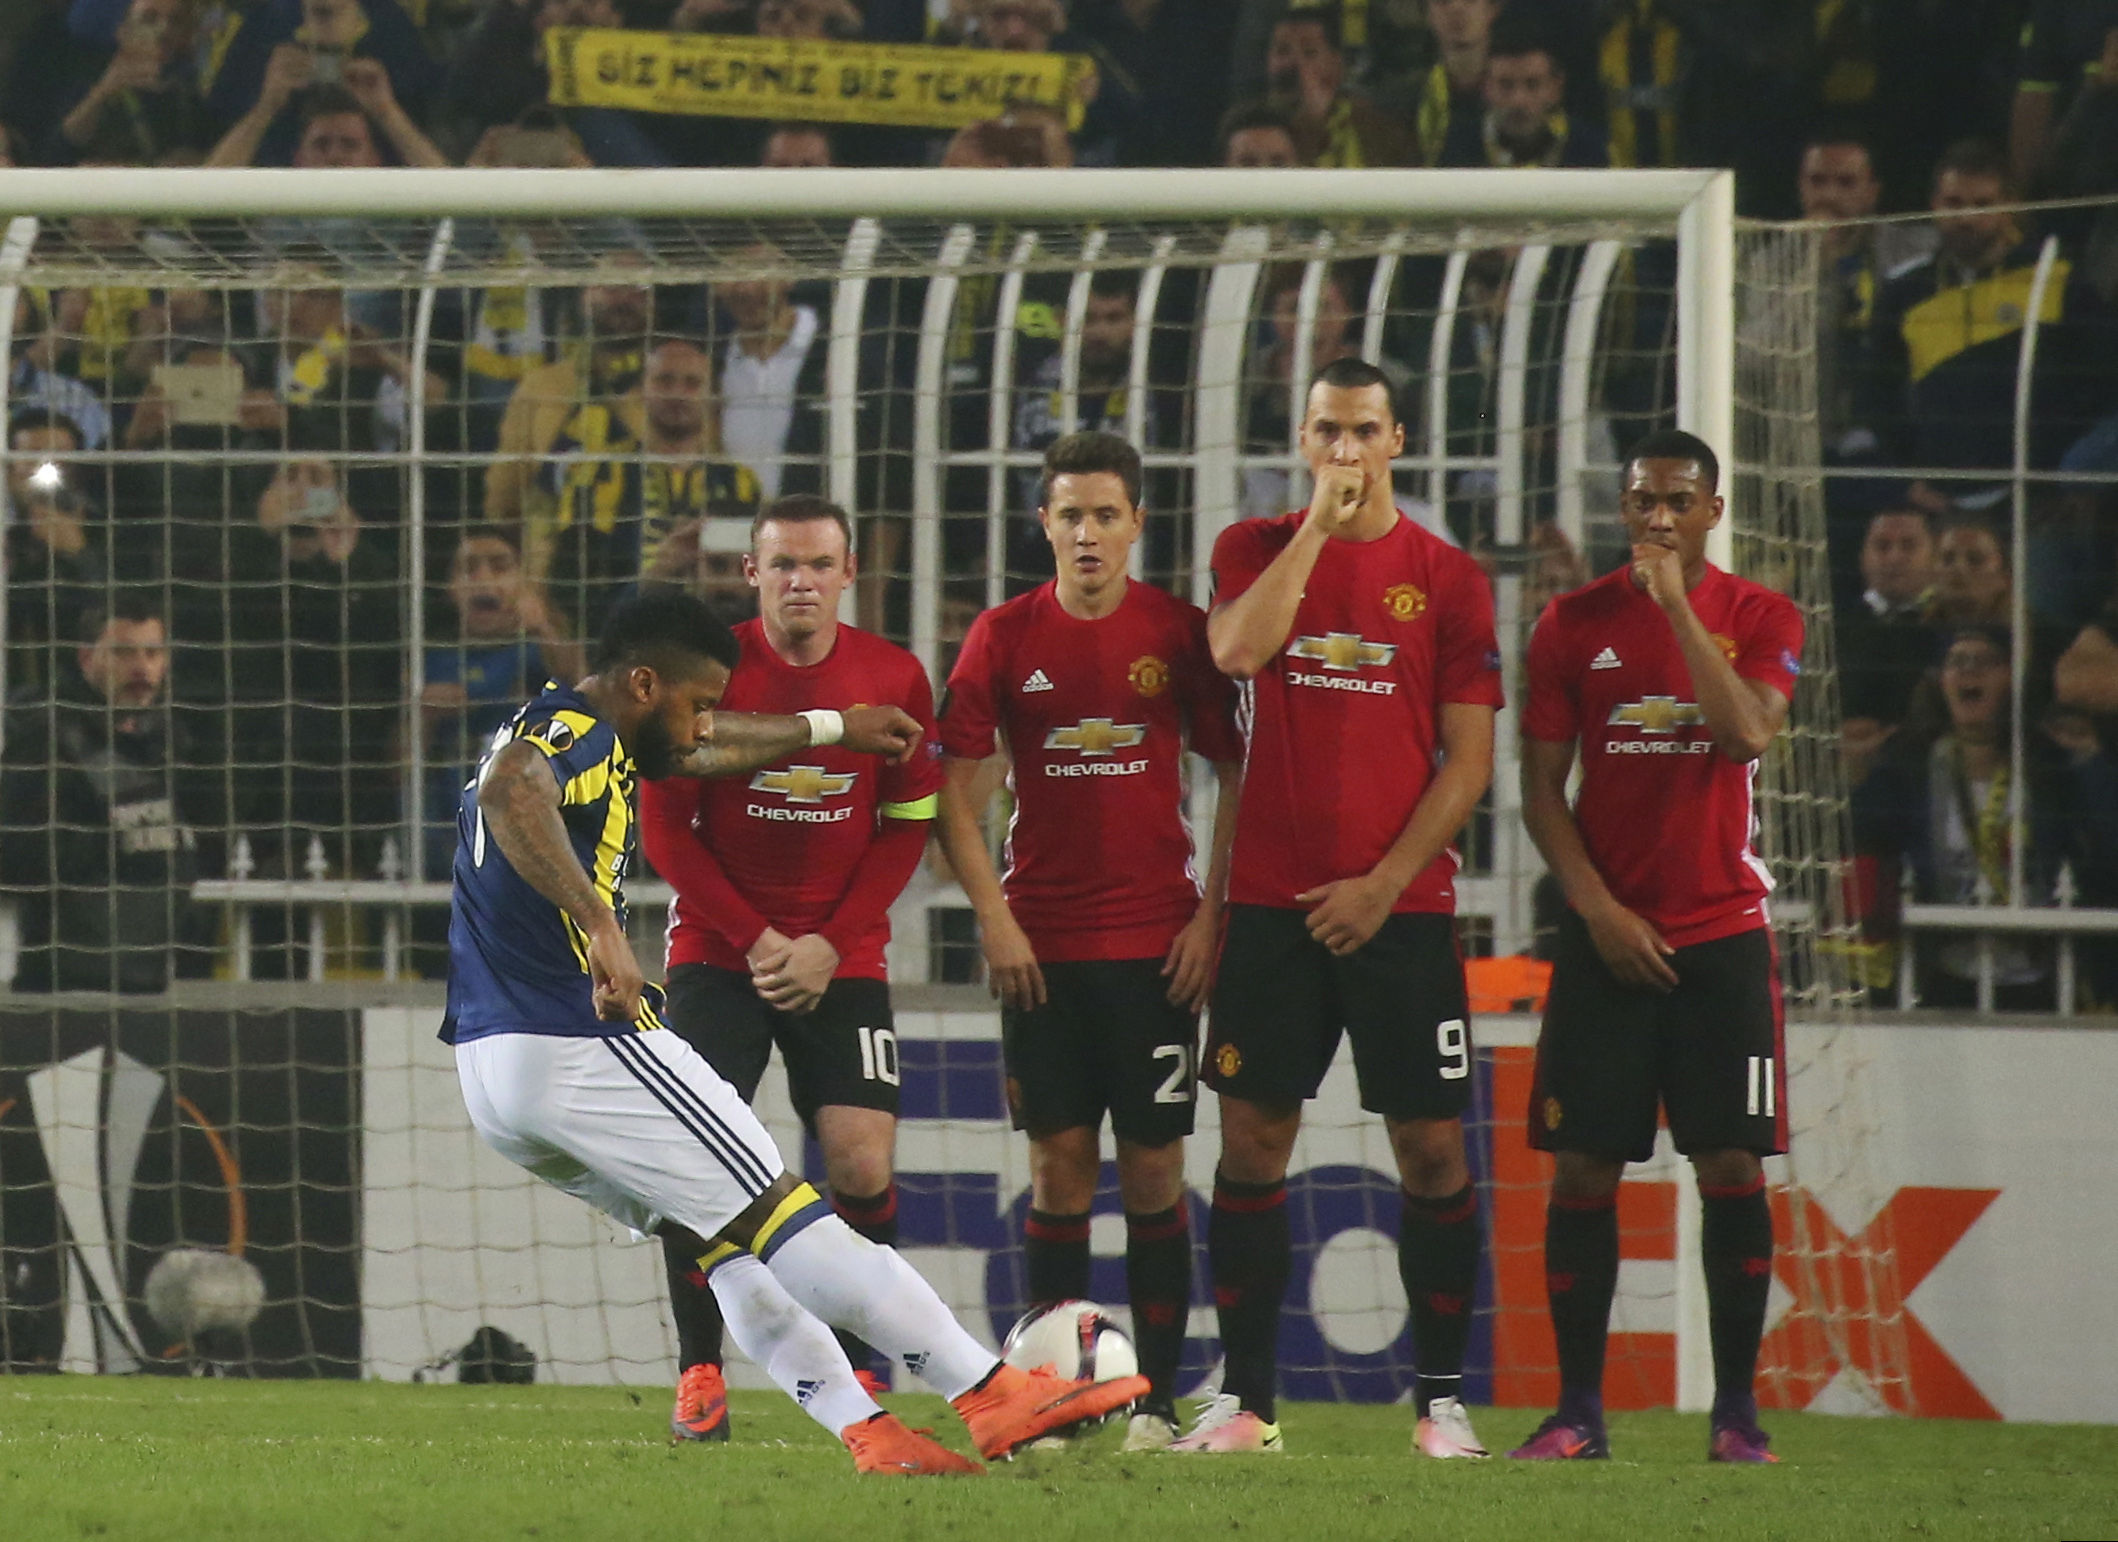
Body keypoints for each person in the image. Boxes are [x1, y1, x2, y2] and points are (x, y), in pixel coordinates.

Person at [448, 586, 1146, 1473]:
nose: (706, 726)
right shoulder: (574, 739)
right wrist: (601, 921)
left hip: (494, 1074)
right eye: (697, 705)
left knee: (726, 1244)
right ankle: (991, 1393)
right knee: (792, 1217)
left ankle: (872, 1433)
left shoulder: (571, 724)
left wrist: (828, 728)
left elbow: (700, 754)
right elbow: (518, 792)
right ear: (643, 684)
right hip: (574, 1042)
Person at [1177, 358, 1502, 1458]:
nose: (1346, 452)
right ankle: (1249, 1403)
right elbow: (1234, 651)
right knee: (1253, 1141)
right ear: (1303, 440)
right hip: (1269, 905)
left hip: (1400, 910)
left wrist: (1383, 883)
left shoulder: (1449, 580)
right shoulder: (1253, 551)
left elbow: (1467, 763)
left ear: (1398, 439)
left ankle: (1442, 1404)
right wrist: (1316, 529)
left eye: (1364, 431)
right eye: (1327, 432)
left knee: (1430, 1149)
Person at [933, 431, 1244, 1450]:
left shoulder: (1179, 633)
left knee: (1154, 1171)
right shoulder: (1003, 638)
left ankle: (1152, 1400)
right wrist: (995, 914)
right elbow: (956, 794)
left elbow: (1238, 769)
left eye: (1106, 514)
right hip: (1045, 950)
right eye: (1070, 514)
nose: (1087, 533)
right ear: (1045, 525)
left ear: (1137, 524)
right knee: (1061, 1167)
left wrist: (1212, 912)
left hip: (1156, 946)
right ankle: (1054, 1400)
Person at [1512, 429, 1802, 1464]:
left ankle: (1736, 1414)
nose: (1658, 518)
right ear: (1623, 507)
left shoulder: (1763, 618)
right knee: (1583, 1167)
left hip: (1721, 935)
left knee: (1729, 1160)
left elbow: (1746, 736)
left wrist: (1677, 605)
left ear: (1713, 511)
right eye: (1642, 501)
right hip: (1606, 938)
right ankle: (1577, 1412)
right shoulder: (1568, 624)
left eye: (1679, 501)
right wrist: (1596, 912)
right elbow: (1542, 790)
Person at [635, 495, 938, 1441]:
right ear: (750, 574)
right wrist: (760, 939)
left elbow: (909, 827)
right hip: (722, 954)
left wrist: (829, 941)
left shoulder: (895, 677)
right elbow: (663, 830)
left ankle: (857, 1376)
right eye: (783, 565)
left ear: (849, 575)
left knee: (860, 1159)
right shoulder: (710, 673)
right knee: (695, 1168)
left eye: (819, 565)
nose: (801, 580)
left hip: (840, 956)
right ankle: (699, 1376)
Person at [0, 593, 220, 992]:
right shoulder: (45, 740)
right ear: (87, 659)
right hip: (62, 988)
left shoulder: (174, 743)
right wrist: (114, 841)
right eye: (123, 653)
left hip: (153, 981)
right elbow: (16, 857)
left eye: (152, 653)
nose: (141, 667)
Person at [542, 338, 760, 641]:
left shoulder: (741, 483)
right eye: (664, 380)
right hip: (625, 641)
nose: (677, 394)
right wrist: (655, 576)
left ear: (713, 395)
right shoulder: (596, 474)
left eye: (692, 383)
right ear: (642, 390)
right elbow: (569, 586)